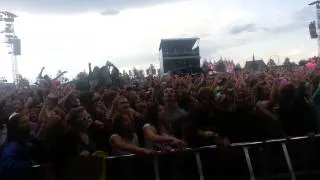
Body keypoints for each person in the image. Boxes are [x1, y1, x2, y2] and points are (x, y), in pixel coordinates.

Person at [0, 113, 33, 180]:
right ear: (14, 126)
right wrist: (28, 164)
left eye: (27, 121)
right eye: (23, 122)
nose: (27, 124)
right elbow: (6, 167)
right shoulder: (12, 146)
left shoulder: (25, 140)